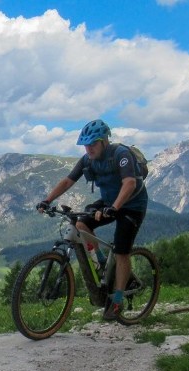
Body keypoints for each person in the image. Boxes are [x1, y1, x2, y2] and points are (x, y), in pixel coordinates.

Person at [35, 119, 148, 320]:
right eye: (85, 145)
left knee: (121, 251)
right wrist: (47, 200)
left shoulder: (120, 154)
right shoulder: (87, 159)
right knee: (81, 224)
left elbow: (130, 183)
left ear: (104, 141)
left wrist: (114, 208)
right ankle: (102, 263)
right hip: (110, 202)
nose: (89, 148)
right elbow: (68, 181)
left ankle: (117, 301)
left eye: (93, 143)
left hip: (132, 205)